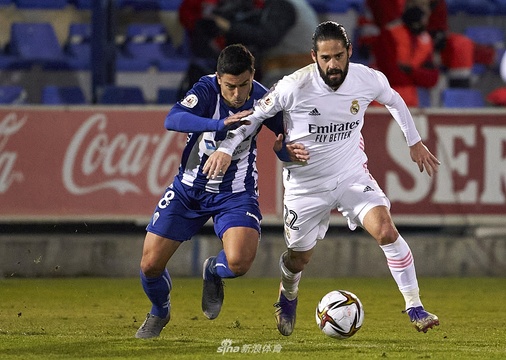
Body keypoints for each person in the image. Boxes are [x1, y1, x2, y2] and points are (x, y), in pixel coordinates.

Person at [203, 21, 441, 336]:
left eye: (338, 56)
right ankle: (287, 296)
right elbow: (254, 117)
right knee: (298, 258)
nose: (333, 64)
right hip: (305, 187)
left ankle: (414, 306)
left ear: (349, 52)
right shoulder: (292, 86)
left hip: (350, 175)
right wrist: (226, 148)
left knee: (385, 230)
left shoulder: (366, 80)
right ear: (314, 56)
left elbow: (395, 100)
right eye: (325, 58)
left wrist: (414, 142)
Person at [134, 43, 302, 339]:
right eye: (230, 87)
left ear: (253, 75)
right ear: (219, 78)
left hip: (235, 194)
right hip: (188, 190)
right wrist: (217, 123)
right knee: (149, 265)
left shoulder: (265, 99)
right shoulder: (205, 89)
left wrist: (284, 152)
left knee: (237, 263)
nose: (237, 95)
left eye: (244, 85)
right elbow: (172, 119)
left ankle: (213, 269)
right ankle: (159, 311)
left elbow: (285, 145)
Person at [372, 0, 439, 107]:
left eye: (425, 6)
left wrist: (410, 71)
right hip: (383, 100)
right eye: (417, 5)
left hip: (411, 102)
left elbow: (432, 78)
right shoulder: (389, 34)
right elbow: (391, 74)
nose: (422, 10)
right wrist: (416, 75)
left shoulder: (426, 40)